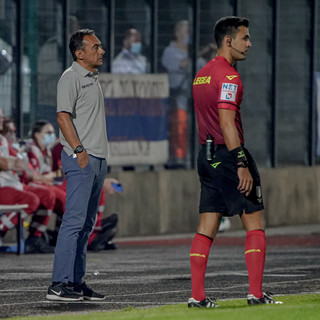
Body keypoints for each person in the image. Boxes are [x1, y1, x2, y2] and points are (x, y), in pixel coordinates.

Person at [188, 16, 283, 308]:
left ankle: (198, 296)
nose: (250, 44)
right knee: (254, 221)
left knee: (207, 224)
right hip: (228, 155)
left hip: (205, 157)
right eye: (245, 38)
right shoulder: (229, 76)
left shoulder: (201, 74)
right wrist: (240, 161)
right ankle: (255, 293)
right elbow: (227, 122)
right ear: (228, 41)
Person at [46, 29, 109, 302]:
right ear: (79, 53)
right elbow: (62, 118)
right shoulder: (70, 78)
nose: (102, 50)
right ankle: (58, 284)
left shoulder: (92, 77)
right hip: (81, 158)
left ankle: (76, 281)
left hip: (97, 158)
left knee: (86, 224)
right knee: (73, 222)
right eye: (96, 47)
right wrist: (80, 151)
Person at [0, 112, 54, 253]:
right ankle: (1, 228)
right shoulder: (31, 148)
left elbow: (20, 164)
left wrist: (9, 163)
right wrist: (9, 163)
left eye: (14, 131)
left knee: (48, 195)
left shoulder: (3, 140)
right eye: (10, 130)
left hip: (14, 183)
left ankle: (35, 238)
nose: (2, 119)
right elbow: (9, 165)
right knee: (32, 200)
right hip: (4, 185)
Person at [161, 20, 191, 166]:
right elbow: (181, 65)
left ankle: (189, 157)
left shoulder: (191, 50)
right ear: (178, 33)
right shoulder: (170, 51)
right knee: (178, 127)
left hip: (192, 97)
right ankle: (177, 158)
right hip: (177, 97)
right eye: (185, 31)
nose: (188, 35)